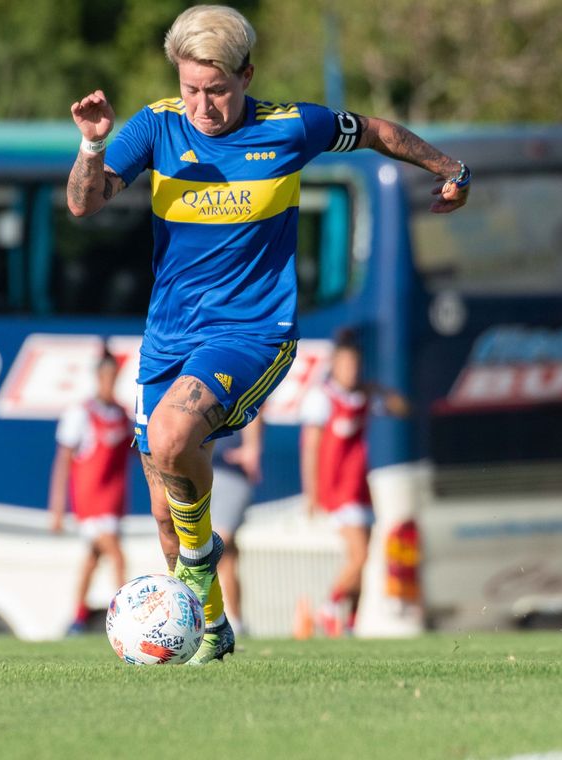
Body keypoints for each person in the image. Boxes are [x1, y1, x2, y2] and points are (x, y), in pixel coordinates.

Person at [68, 4, 469, 663]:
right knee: (168, 522)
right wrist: (91, 144)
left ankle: (201, 565)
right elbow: (85, 203)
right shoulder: (157, 127)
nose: (203, 105)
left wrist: (449, 168)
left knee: (172, 439)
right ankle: (215, 629)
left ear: (247, 75)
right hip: (168, 338)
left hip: (254, 331)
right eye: (192, 88)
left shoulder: (291, 128)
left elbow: (372, 130)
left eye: (217, 90)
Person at [300, 328, 408, 636]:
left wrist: (378, 389)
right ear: (335, 364)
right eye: (347, 364)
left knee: (361, 560)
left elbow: (402, 408)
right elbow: (311, 448)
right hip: (337, 488)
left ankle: (349, 623)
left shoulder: (363, 397)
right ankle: (328, 606)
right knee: (360, 555)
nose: (352, 371)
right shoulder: (322, 399)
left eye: (356, 365)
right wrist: (312, 492)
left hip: (360, 485)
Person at [48, 348, 132, 635]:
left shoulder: (122, 414)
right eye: (106, 376)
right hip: (90, 500)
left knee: (93, 559)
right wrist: (57, 508)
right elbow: (64, 461)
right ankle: (128, 619)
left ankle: (77, 618)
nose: (110, 381)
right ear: (98, 377)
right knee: (117, 556)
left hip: (115, 498)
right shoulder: (80, 413)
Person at [209, 416, 263, 635]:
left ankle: (227, 620)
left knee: (219, 545)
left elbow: (254, 409)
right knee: (225, 554)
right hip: (204, 470)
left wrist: (252, 447)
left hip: (231, 471)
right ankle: (231, 620)